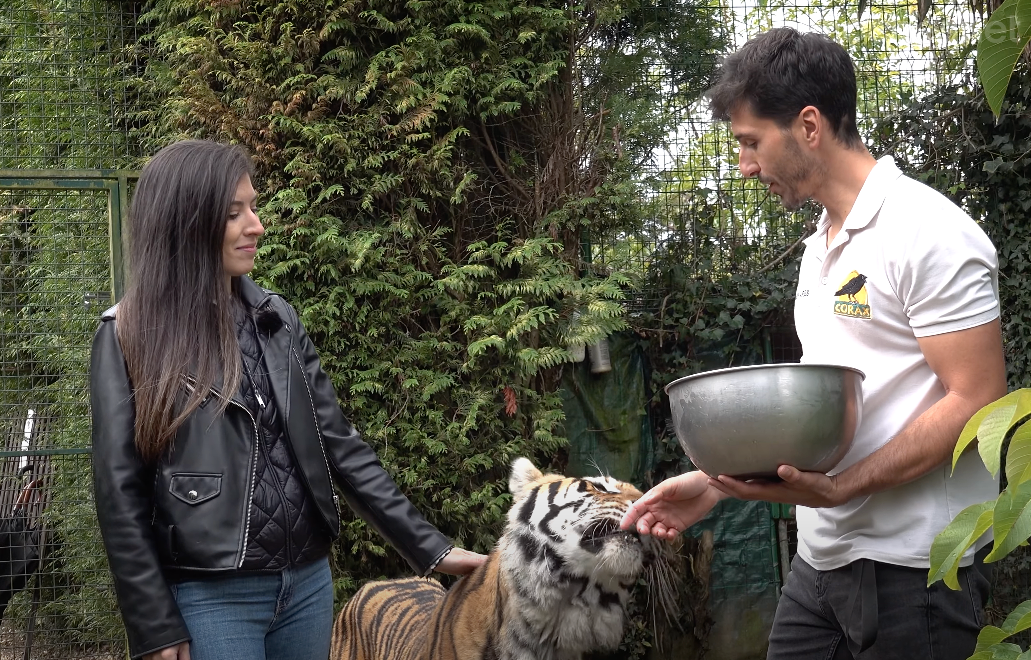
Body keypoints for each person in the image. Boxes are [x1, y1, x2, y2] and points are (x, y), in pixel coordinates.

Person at [621, 28, 1006, 660]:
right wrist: (719, 483)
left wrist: (847, 485)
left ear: (807, 125)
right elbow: (820, 416)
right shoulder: (819, 249)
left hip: (917, 570)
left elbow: (978, 400)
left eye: (751, 143)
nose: (745, 166)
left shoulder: (928, 231)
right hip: (822, 563)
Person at [90, 140, 487, 660]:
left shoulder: (276, 319)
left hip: (306, 587)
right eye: (235, 213)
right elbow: (118, 494)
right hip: (210, 600)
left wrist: (431, 550)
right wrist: (153, 623)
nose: (256, 225)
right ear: (185, 221)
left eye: (253, 207)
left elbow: (337, 444)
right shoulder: (126, 334)